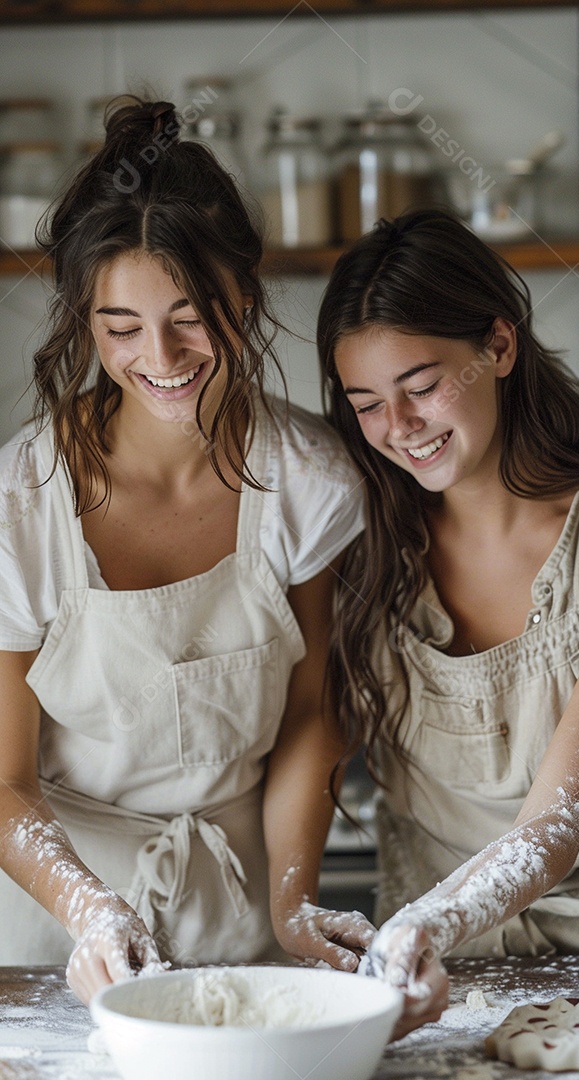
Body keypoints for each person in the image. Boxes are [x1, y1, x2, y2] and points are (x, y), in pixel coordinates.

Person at [0, 96, 375, 1006]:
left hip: (242, 900)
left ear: (243, 292)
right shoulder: (20, 507)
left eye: (190, 315)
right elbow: (4, 783)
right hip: (50, 926)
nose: (160, 356)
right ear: (83, 321)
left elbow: (308, 720)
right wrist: (91, 912)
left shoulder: (309, 479)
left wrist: (292, 903)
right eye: (120, 327)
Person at [317, 208, 579, 1033]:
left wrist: (431, 919)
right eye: (367, 403)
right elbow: (314, 729)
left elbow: (556, 820)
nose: (399, 429)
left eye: (420, 386)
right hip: (425, 986)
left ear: (499, 348)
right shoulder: (367, 543)